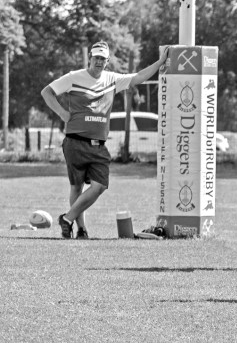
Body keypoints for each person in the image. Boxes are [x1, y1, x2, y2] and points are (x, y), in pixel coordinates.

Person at [41, 42, 170, 239]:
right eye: (96, 58)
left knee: (99, 185)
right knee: (76, 187)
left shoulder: (112, 79)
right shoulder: (74, 77)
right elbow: (47, 92)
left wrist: (160, 62)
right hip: (75, 141)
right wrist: (62, 113)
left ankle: (67, 219)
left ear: (107, 61)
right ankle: (81, 229)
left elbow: (138, 77)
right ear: (90, 58)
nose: (99, 62)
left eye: (103, 59)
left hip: (98, 145)